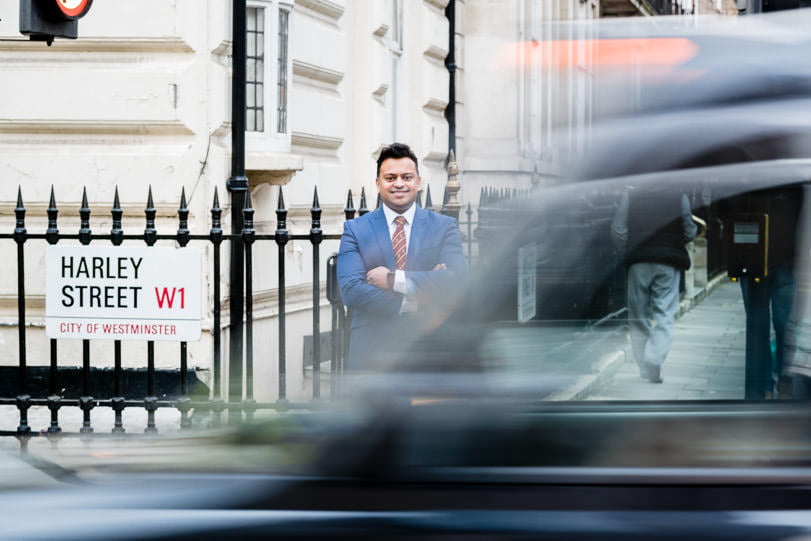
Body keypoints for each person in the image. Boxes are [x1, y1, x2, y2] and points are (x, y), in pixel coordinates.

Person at [337, 143, 466, 370]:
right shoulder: (356, 229)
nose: (399, 184)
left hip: (430, 349)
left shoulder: (444, 227)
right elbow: (351, 290)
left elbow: (456, 280)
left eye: (407, 177)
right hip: (371, 351)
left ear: (418, 182)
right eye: (390, 177)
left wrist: (393, 279)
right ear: (378, 184)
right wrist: (415, 299)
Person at [722, 186, 801, 399]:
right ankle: (786, 383)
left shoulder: (746, 174)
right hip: (784, 255)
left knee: (757, 326)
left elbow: (727, 206)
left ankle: (760, 389)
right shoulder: (789, 177)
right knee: (785, 324)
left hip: (752, 253)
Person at [612, 185, 697, 383]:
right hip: (668, 262)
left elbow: (618, 230)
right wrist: (674, 242)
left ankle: (644, 367)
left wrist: (628, 246)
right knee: (665, 314)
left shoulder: (631, 195)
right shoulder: (679, 195)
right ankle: (655, 358)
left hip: (639, 260)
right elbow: (690, 231)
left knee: (638, 315)